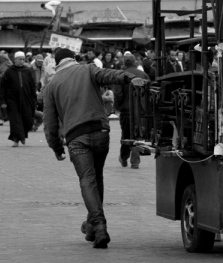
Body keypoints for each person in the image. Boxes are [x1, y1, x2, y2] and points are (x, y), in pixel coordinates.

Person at [43, 48, 150, 249]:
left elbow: (50, 124)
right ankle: (92, 227)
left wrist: (57, 147)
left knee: (87, 179)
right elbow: (109, 74)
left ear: (56, 64)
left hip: (76, 137)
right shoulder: (88, 69)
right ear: (74, 59)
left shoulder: (51, 86)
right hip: (100, 131)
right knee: (96, 177)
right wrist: (128, 78)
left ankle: (99, 226)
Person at [114, 55, 148, 169]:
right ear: (135, 62)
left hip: (126, 110)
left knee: (126, 134)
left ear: (124, 63)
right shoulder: (143, 74)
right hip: (140, 111)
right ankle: (135, 161)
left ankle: (124, 158)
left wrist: (119, 106)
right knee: (138, 135)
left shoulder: (121, 74)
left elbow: (118, 93)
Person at [0, 51, 36, 146]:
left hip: (26, 99)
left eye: (23, 59)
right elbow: (3, 87)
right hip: (12, 100)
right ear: (15, 60)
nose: (22, 61)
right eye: (20, 59)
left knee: (28, 120)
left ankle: (22, 135)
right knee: (15, 120)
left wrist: (34, 99)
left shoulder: (27, 71)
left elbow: (32, 86)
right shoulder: (9, 71)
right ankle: (16, 139)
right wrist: (3, 101)